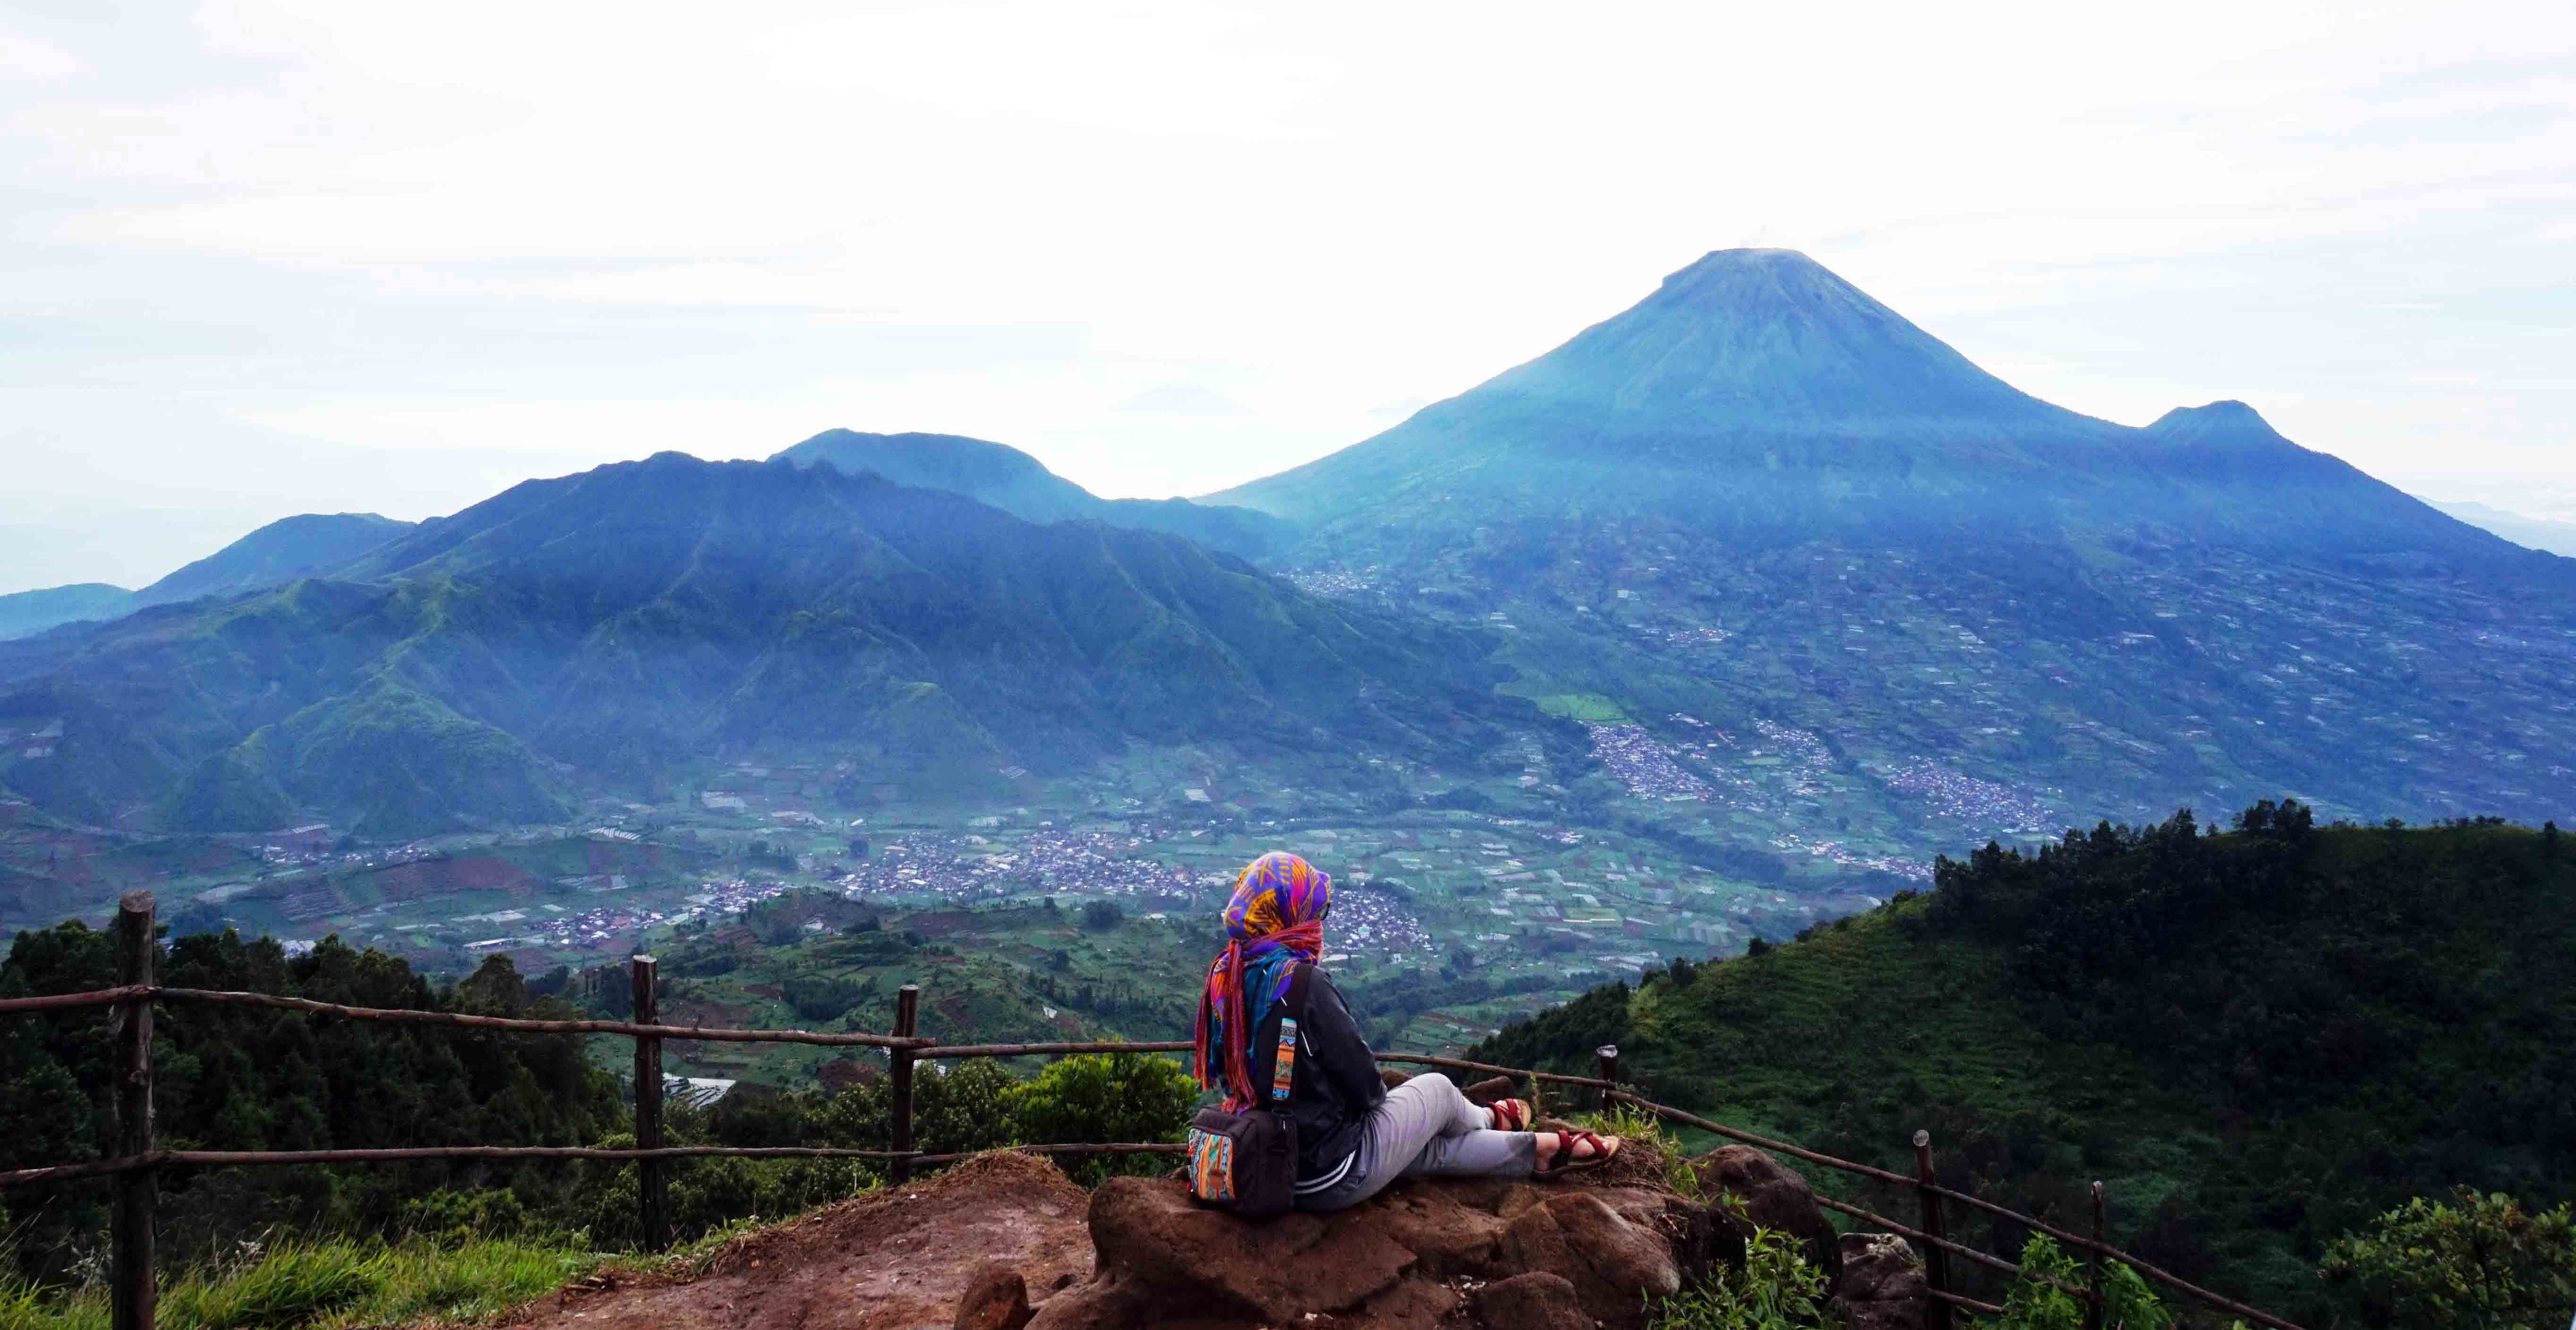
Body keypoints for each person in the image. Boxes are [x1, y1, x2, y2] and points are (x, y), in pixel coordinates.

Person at [1192, 850, 1618, 1212]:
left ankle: (1539, 1151)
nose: (1320, 921)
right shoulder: (1302, 985)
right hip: (1328, 1173)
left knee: (1424, 1149)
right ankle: (1488, 1117)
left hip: (1269, 1162)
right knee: (1436, 1089)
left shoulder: (1225, 975)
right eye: (1315, 911)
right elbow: (1369, 1090)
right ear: (1290, 915)